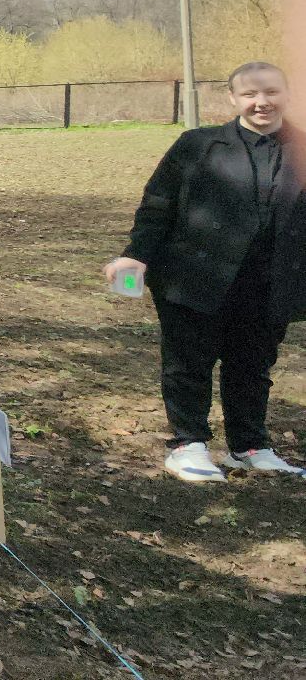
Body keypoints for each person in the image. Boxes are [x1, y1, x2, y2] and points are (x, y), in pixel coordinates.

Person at [104, 61, 304, 483]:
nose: (261, 101)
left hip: (271, 281)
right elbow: (157, 206)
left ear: (286, 94)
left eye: (270, 92)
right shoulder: (196, 145)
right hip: (194, 277)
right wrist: (134, 255)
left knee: (253, 366)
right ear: (232, 99)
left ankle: (250, 446)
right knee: (188, 363)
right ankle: (187, 443)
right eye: (249, 93)